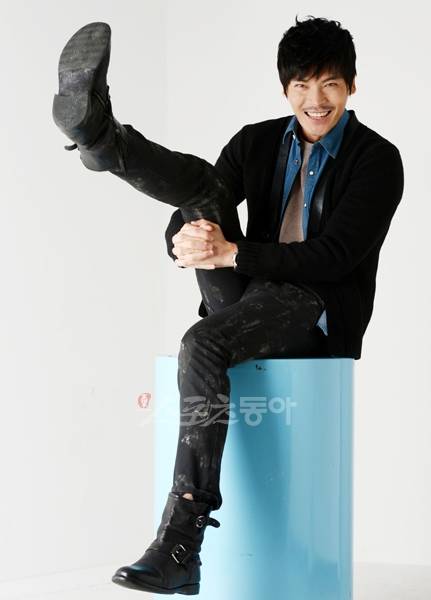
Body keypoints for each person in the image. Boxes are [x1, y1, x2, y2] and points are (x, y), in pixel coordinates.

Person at [52, 15, 404, 595]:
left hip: (315, 308)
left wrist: (233, 253)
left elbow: (336, 256)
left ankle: (180, 542)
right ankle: (100, 136)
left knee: (203, 343)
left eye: (330, 85)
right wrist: (184, 241)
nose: (315, 101)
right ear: (285, 88)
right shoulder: (256, 141)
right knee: (203, 189)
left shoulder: (377, 160)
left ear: (352, 85)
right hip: (247, 292)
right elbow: (189, 214)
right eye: (302, 86)